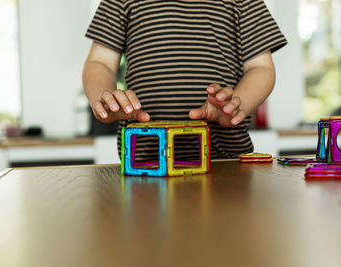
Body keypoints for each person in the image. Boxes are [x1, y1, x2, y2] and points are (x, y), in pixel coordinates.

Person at [83, 0, 287, 161]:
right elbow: (100, 63)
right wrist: (105, 100)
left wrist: (235, 105)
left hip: (225, 163)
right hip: (144, 164)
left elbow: (260, 67)